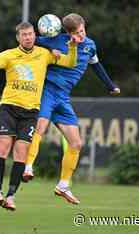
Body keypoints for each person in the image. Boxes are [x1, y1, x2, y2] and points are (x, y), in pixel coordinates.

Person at [0, 22, 77, 211]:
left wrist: (72, 48)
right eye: (24, 35)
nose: (28, 37)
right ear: (18, 38)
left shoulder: (45, 54)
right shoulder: (9, 55)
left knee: (22, 153)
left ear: (35, 35)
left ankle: (10, 196)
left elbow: (70, 63)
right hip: (9, 107)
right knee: (2, 148)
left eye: (31, 34)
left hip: (31, 111)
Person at [22, 13, 120, 205]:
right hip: (47, 92)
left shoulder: (90, 46)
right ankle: (27, 167)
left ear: (84, 26)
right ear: (67, 33)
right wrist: (33, 37)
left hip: (63, 98)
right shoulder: (58, 40)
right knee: (40, 128)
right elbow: (32, 41)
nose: (80, 36)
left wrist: (110, 86)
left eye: (82, 31)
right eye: (75, 33)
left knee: (76, 143)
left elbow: (97, 66)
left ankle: (63, 185)